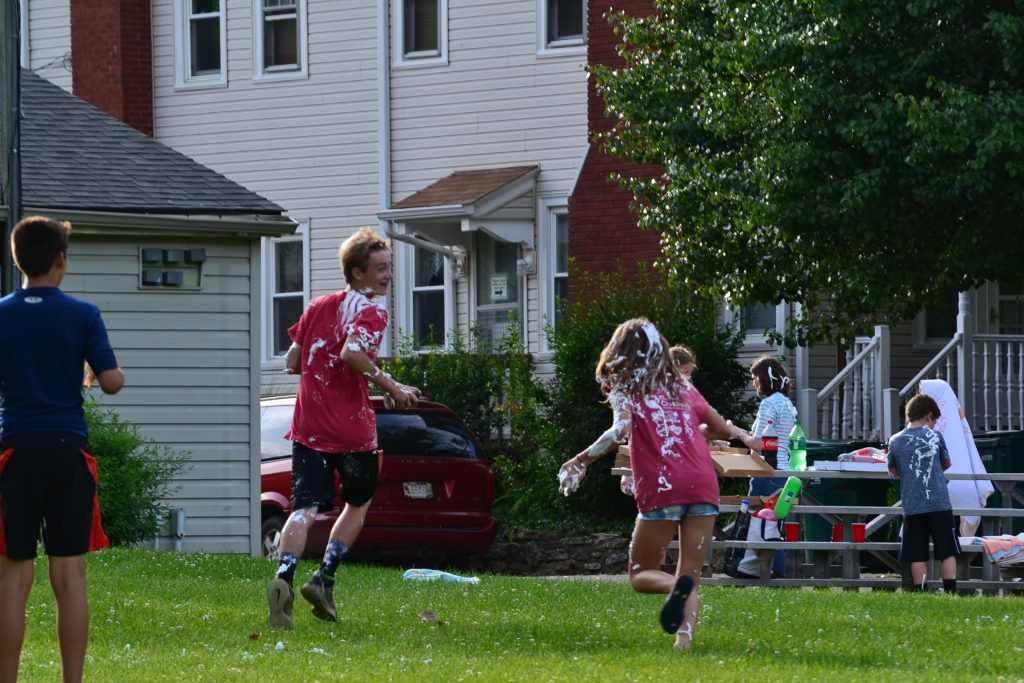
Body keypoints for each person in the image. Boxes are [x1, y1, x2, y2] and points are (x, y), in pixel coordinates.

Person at [267, 227, 421, 629]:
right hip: (351, 430)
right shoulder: (371, 309)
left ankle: (283, 577)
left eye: (389, 268)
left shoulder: (319, 305)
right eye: (381, 269)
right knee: (358, 503)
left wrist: (335, 373)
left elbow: (293, 362)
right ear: (357, 274)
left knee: (303, 509)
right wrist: (392, 385)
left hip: (309, 425)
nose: (388, 276)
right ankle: (325, 577)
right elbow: (352, 352)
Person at [558, 318, 734, 653]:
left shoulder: (628, 388)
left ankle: (674, 587)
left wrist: (581, 460)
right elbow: (721, 428)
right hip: (703, 485)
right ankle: (683, 642)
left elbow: (618, 432)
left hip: (664, 487)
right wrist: (697, 433)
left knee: (641, 574)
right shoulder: (683, 387)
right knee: (691, 574)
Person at [0, 215, 125, 683]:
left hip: (15, 449)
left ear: (18, 260)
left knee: (13, 578)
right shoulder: (83, 314)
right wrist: (106, 373)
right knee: (69, 576)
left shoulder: (3, 312)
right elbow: (111, 382)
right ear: (61, 261)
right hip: (68, 448)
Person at [728, 355, 797, 577]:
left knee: (762, 525)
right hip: (783, 470)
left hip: (765, 471)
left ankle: (769, 573)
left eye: (755, 377)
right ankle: (773, 573)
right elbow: (769, 439)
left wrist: (736, 431)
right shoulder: (786, 403)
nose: (753, 382)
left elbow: (758, 444)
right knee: (773, 524)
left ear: (765, 378)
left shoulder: (768, 403)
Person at [887, 394, 959, 593]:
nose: (934, 424)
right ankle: (950, 591)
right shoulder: (935, 436)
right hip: (939, 502)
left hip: (912, 504)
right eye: (934, 420)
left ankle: (921, 591)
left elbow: (893, 470)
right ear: (929, 416)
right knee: (947, 550)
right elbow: (946, 463)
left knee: (917, 553)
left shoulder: (895, 441)